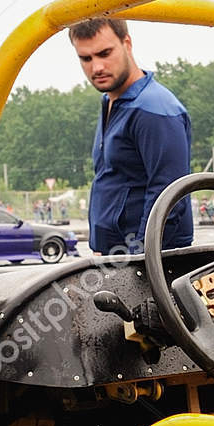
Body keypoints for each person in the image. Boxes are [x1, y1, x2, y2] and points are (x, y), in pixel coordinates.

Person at [69, 17, 193, 255]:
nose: (97, 67)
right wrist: (101, 245)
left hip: (150, 261)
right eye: (86, 58)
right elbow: (113, 180)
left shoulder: (155, 108)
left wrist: (139, 260)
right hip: (114, 255)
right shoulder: (110, 101)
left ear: (127, 43)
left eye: (105, 53)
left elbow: (168, 196)